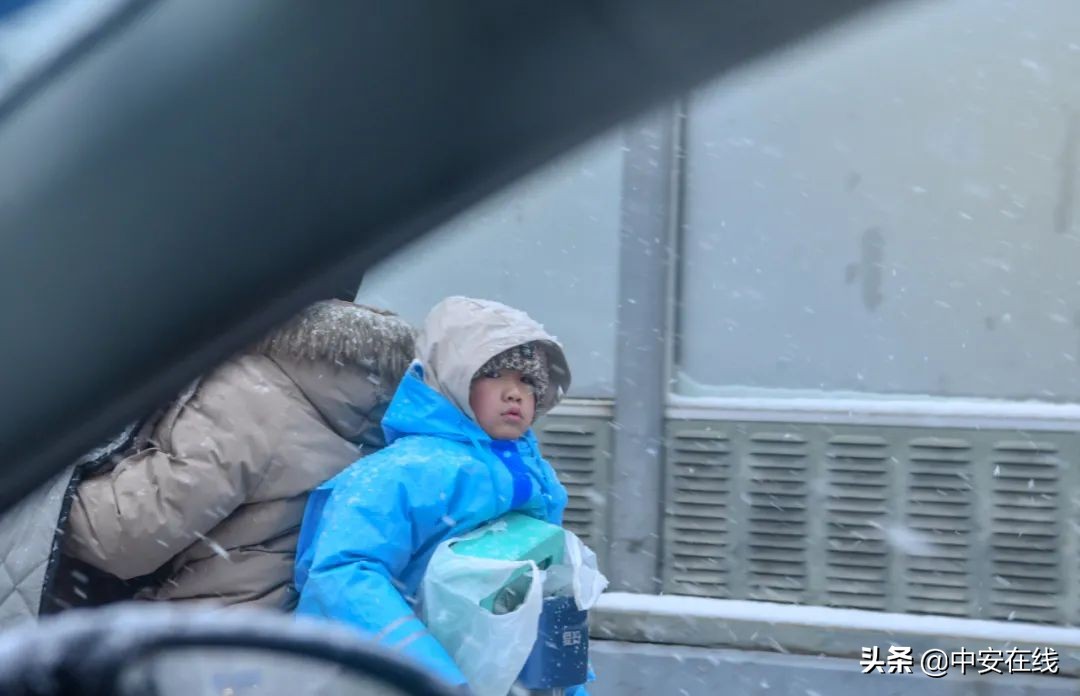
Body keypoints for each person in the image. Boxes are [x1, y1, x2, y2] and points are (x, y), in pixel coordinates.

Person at [293, 296, 588, 693]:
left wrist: (563, 682)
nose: (514, 392)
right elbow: (342, 575)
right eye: (494, 373)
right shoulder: (403, 471)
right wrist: (432, 674)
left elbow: (542, 594)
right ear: (452, 378)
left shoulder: (538, 478)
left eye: (528, 381)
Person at [55, 299, 416, 609]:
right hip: (253, 640)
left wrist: (45, 483)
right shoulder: (375, 423)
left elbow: (120, 533)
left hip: (179, 637)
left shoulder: (250, 395)